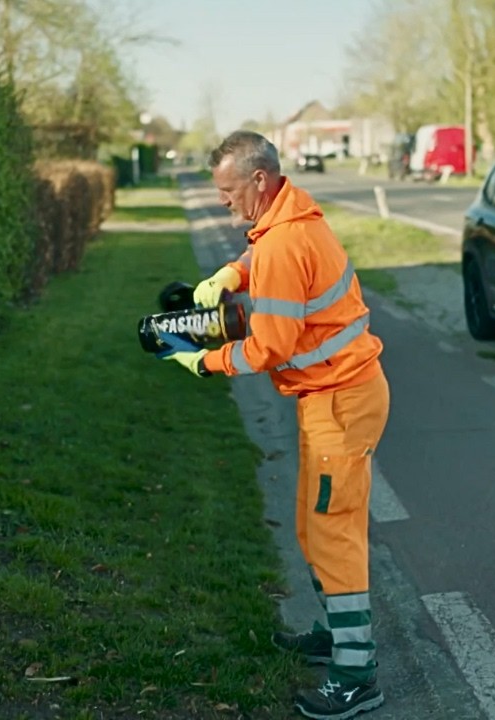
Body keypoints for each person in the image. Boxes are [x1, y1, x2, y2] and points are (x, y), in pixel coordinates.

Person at [154, 130, 390, 720]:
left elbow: (268, 348)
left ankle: (357, 675)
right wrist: (231, 275)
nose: (223, 201)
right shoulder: (290, 216)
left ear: (259, 179)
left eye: (229, 190)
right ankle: (340, 637)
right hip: (332, 398)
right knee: (316, 529)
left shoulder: (286, 240)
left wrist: (203, 361)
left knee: (332, 533)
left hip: (339, 401)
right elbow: (263, 254)